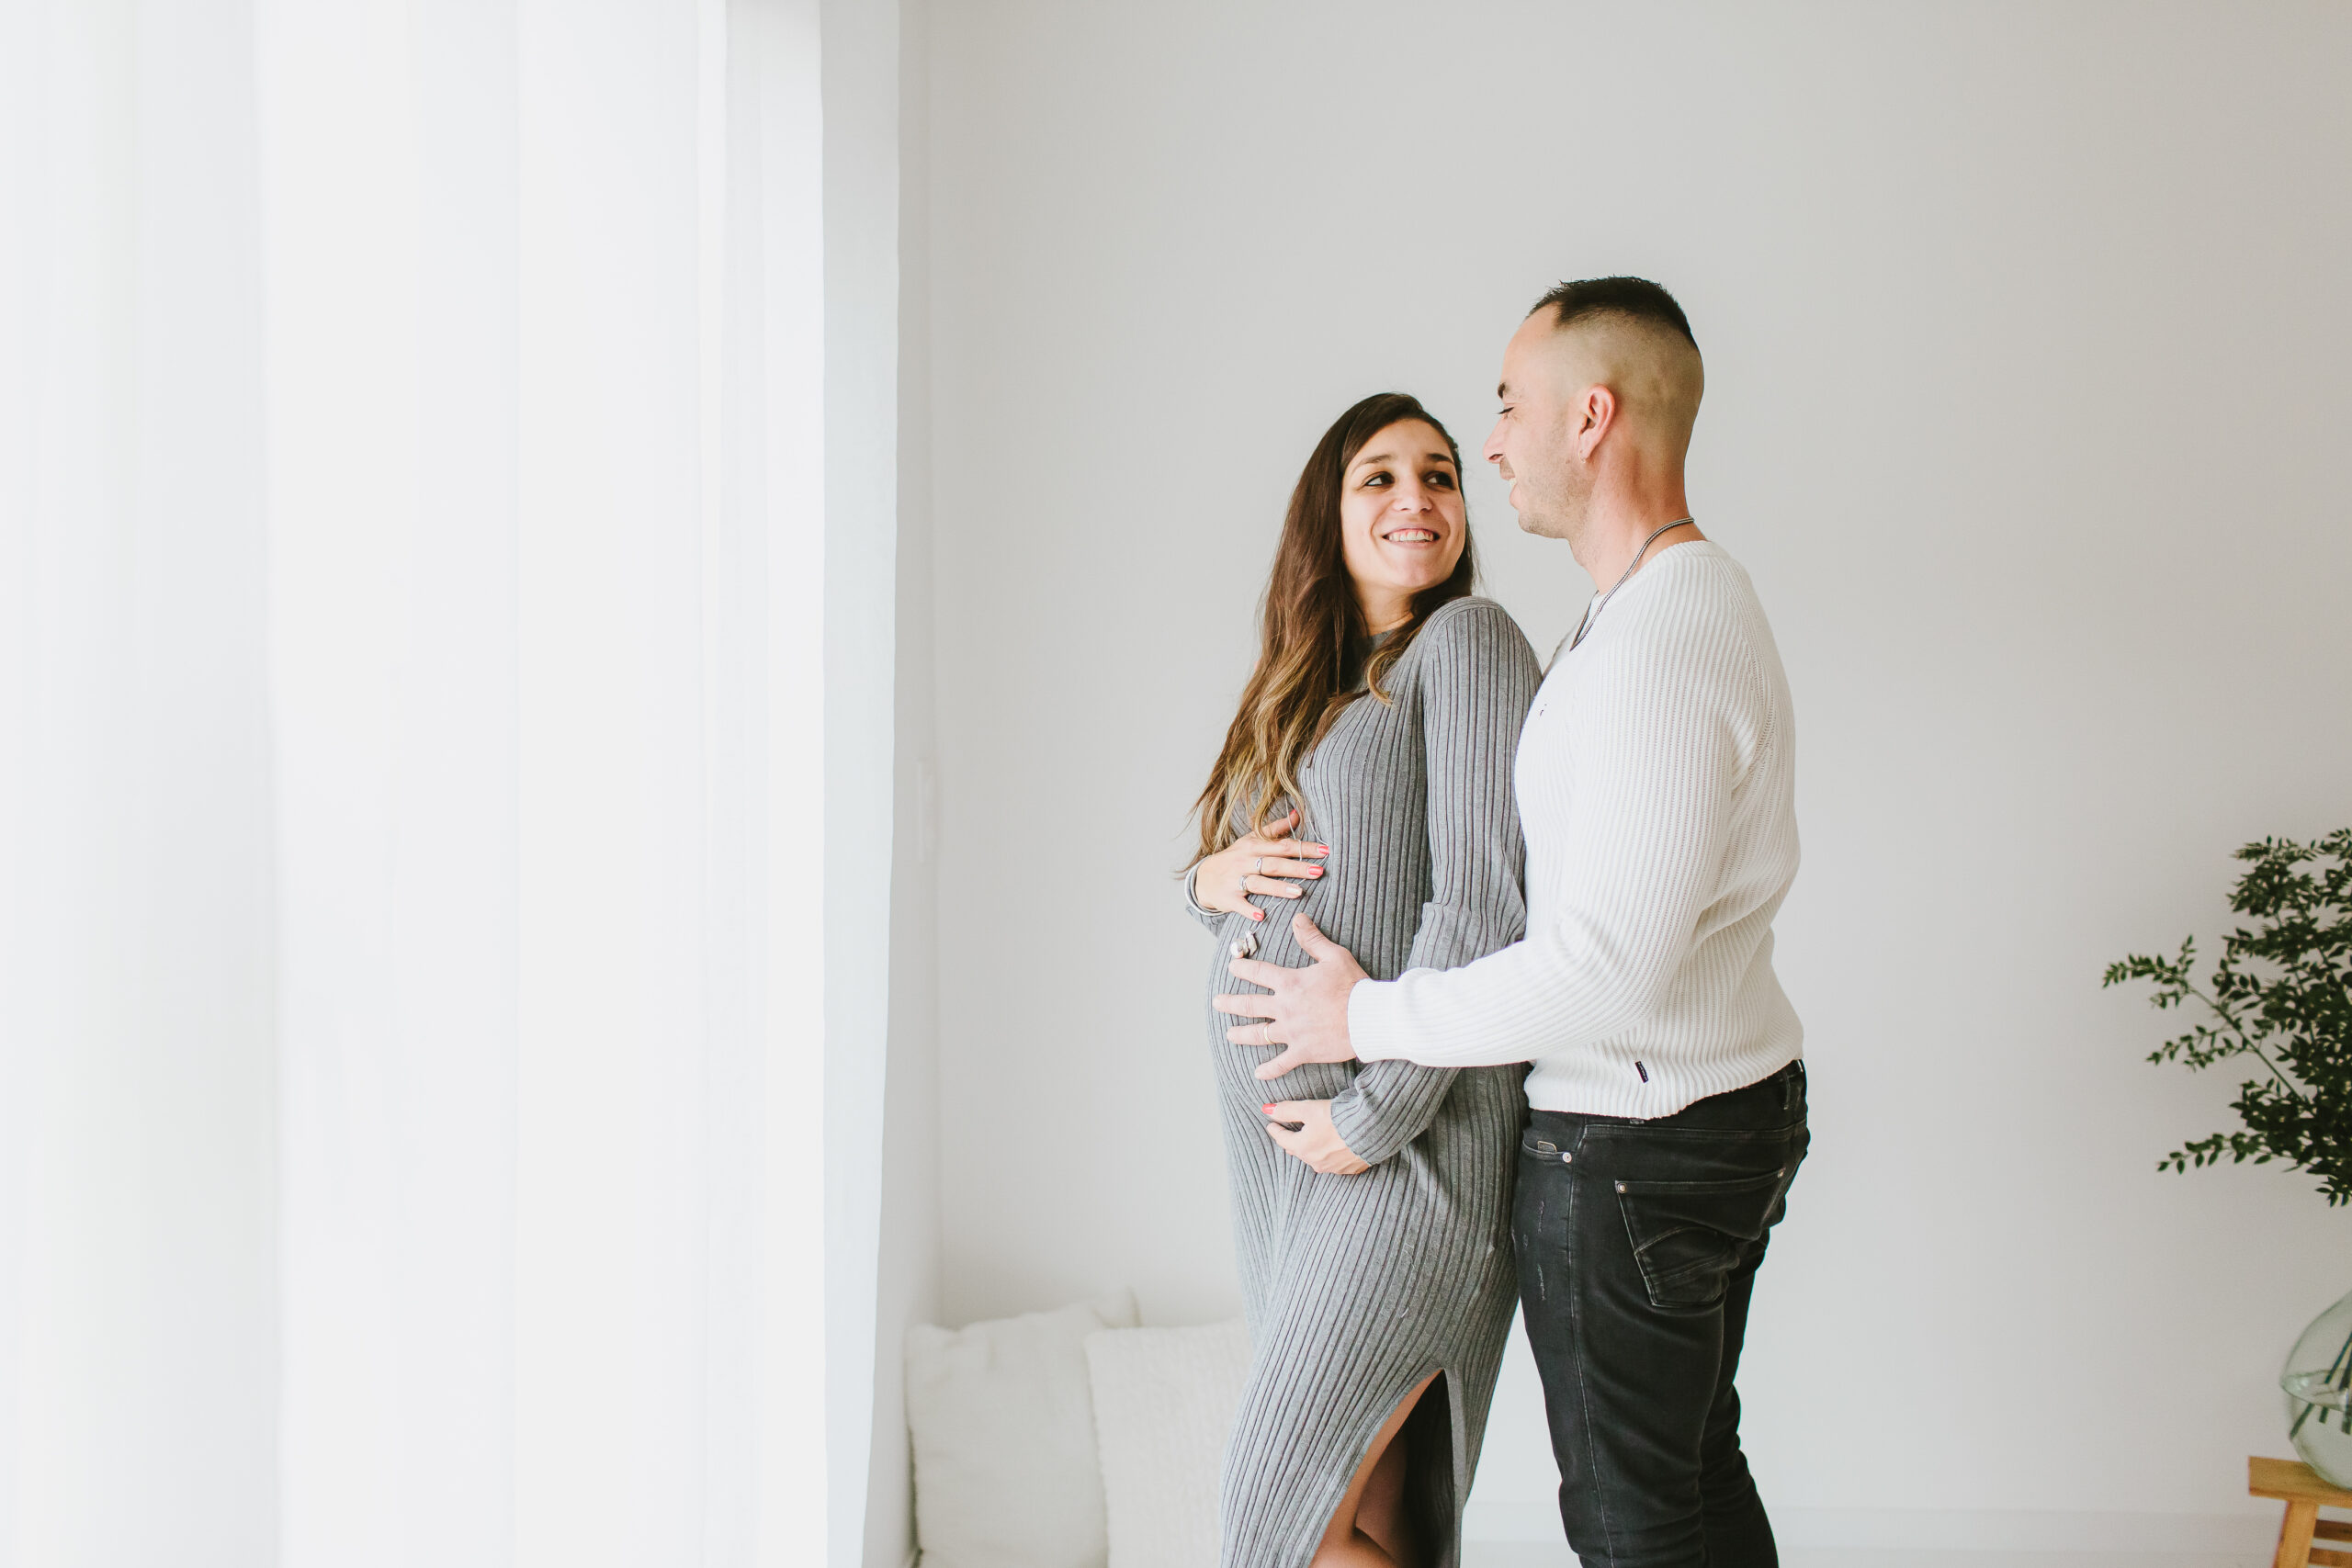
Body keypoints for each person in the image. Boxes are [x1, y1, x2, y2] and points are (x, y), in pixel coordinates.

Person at [1216, 279, 1807, 1568]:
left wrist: (1363, 1031)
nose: (1489, 447)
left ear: (1589, 416)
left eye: (1502, 409)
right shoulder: (1630, 618)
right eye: (1381, 476)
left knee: (1632, 1515)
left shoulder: (1639, 637)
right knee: (1675, 1487)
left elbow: (1590, 952)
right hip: (1607, 1131)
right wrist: (1215, 886)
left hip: (1621, 1137)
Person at [1182, 391, 1543, 1568]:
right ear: (1326, 515)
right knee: (1372, 1522)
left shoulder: (1467, 643)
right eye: (1379, 477)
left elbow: (1485, 909)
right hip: (1294, 1175)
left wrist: (1369, 1114)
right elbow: (1248, 889)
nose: (1416, 498)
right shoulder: (1309, 686)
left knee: (1273, 1520)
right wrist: (1207, 885)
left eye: (1439, 475)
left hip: (1407, 1150)